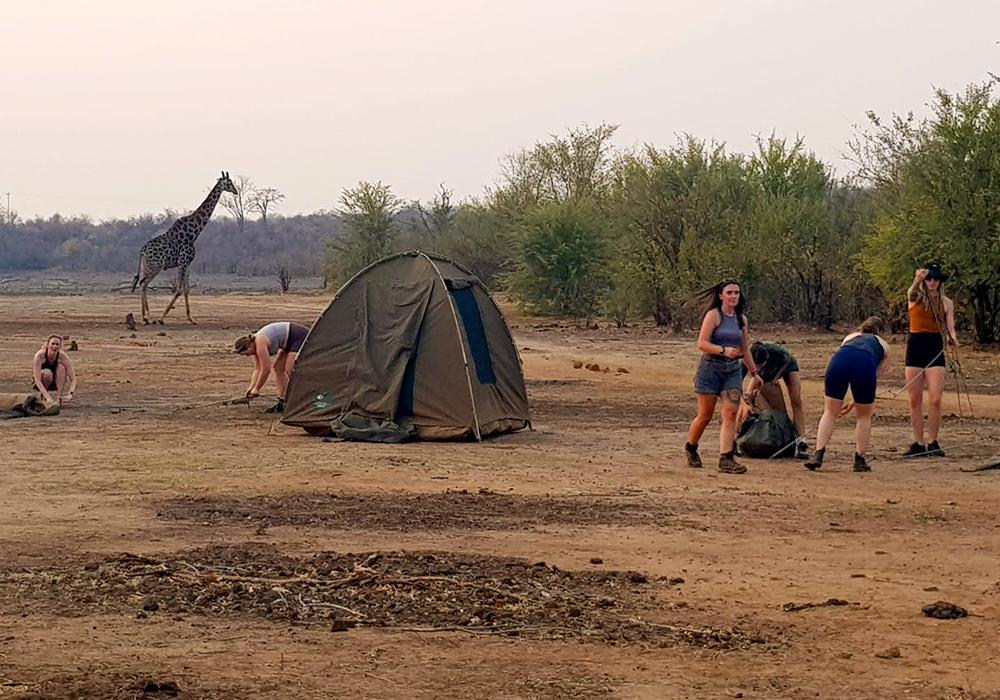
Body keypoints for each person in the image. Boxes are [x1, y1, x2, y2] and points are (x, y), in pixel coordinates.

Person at [685, 279, 760, 474]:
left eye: (736, 292)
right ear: (721, 296)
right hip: (710, 369)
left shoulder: (740, 319)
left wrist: (754, 372)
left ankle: (726, 457)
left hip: (732, 370)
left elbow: (744, 347)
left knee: (730, 413)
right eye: (730, 293)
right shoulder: (713, 316)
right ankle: (691, 447)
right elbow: (701, 343)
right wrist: (722, 350)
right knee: (705, 415)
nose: (734, 296)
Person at [804, 317, 890, 473]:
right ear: (880, 332)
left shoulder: (850, 337)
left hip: (838, 361)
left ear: (861, 328)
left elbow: (846, 356)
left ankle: (818, 453)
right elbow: (873, 376)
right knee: (864, 416)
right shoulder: (884, 346)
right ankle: (859, 459)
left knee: (830, 411)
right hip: (864, 364)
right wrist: (856, 402)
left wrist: (852, 401)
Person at [903, 264, 957, 458]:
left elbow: (950, 325)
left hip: (934, 346)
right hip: (916, 345)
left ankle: (933, 442)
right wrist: (917, 280)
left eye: (936, 279)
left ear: (940, 281)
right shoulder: (915, 297)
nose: (932, 282)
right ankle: (918, 443)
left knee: (935, 399)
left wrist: (953, 337)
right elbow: (911, 292)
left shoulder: (946, 303)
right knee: (915, 399)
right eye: (929, 279)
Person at [741, 341, 808, 458]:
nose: (758, 368)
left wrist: (770, 379)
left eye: (761, 366)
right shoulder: (744, 359)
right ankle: (739, 437)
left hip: (786, 365)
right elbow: (736, 385)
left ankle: (801, 440)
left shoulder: (779, 353)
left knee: (796, 400)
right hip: (763, 371)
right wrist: (746, 401)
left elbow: (769, 379)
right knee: (746, 400)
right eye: (756, 365)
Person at [233, 322, 310, 413]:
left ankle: (304, 398)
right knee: (278, 368)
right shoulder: (254, 347)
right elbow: (258, 369)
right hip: (286, 343)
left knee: (291, 369)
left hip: (298, 336)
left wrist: (257, 389)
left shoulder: (260, 343)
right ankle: (282, 402)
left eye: (245, 353)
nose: (247, 356)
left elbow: (266, 369)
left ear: (248, 346)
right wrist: (251, 388)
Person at [32, 334, 77, 406]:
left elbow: (73, 379)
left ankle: (59, 398)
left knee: (61, 368)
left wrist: (70, 393)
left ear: (60, 346)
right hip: (43, 380)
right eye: (52, 344)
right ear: (48, 345)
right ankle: (44, 397)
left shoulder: (62, 356)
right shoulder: (40, 356)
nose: (54, 346)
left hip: (57, 381)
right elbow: (37, 380)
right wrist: (48, 398)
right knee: (47, 373)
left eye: (57, 344)